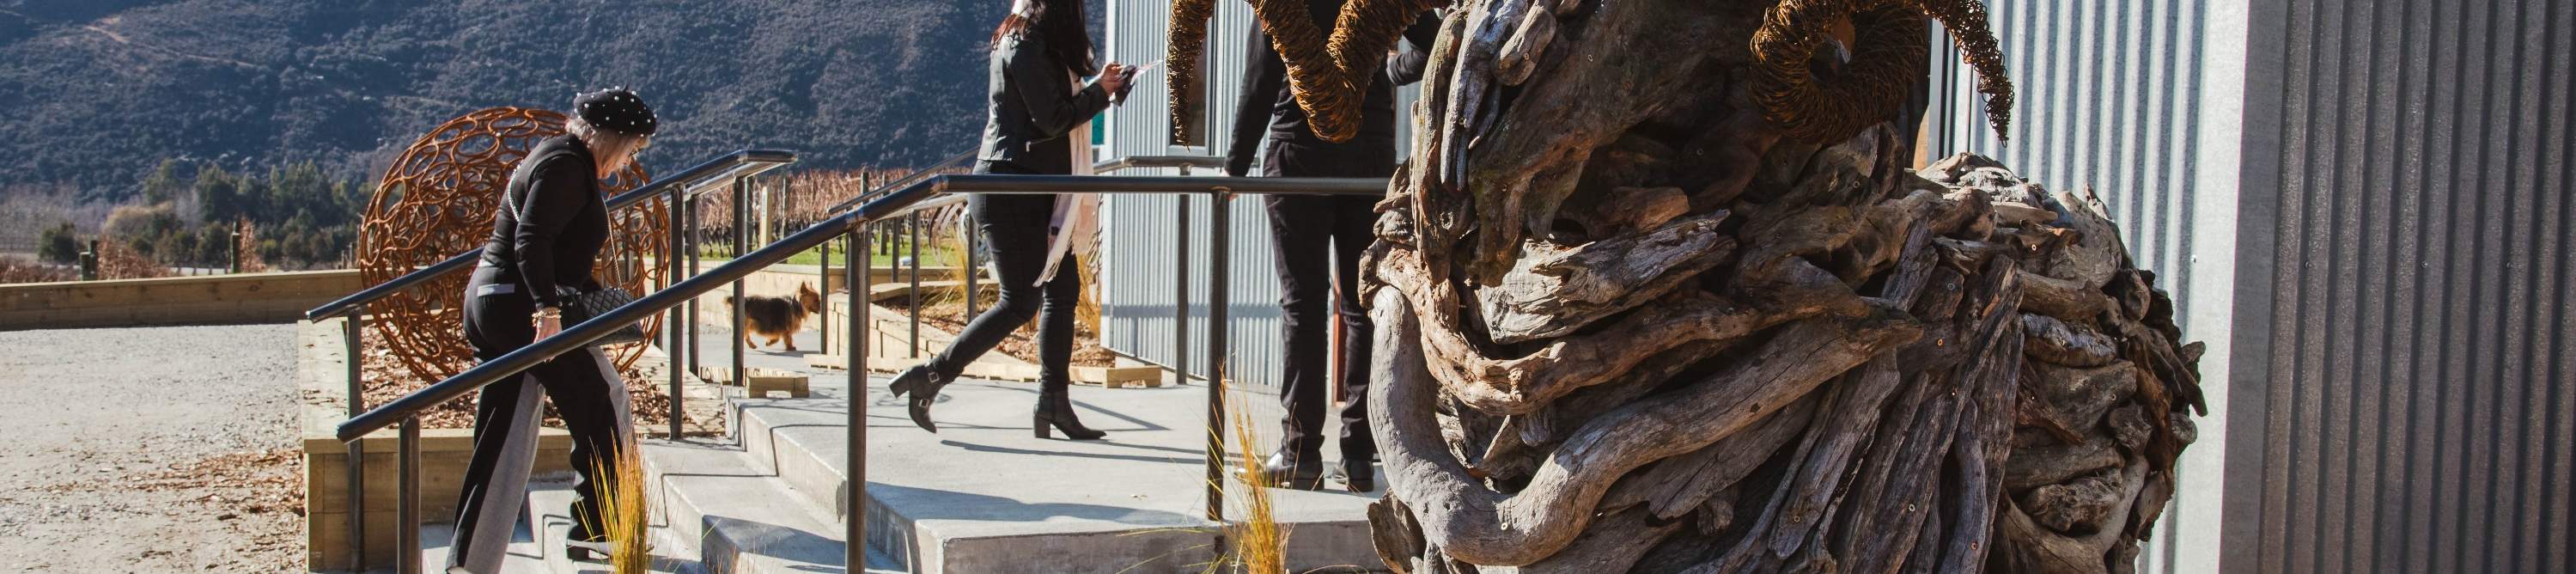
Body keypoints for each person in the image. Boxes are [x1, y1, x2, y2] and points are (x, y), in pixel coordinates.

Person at [889, 0, 1129, 440]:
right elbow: (1053, 117)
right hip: (1008, 189)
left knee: (1063, 288)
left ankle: (1052, 402)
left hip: (1034, 188)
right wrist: (1098, 95)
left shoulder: (1041, 40)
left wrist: (1102, 89)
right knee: (1020, 301)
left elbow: (1056, 109)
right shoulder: (1023, 40)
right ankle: (931, 377)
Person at [1227, 4, 1440, 492]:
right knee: (1361, 307)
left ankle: (1300, 454)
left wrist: (1235, 166)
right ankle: (1361, 455)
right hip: (1366, 159)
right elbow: (1436, 46)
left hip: (1298, 154)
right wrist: (1384, 72)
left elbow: (1260, 83)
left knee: (1303, 306)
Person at [447, 88, 657, 571]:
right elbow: (532, 238)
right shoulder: (565, 166)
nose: (629, 160)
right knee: (606, 399)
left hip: (496, 302)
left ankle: (468, 562)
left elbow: (553, 247)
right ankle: (598, 531)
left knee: (505, 434)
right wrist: (546, 310)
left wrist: (591, 296)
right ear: (610, 139)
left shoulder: (558, 158)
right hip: (521, 310)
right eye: (632, 148)